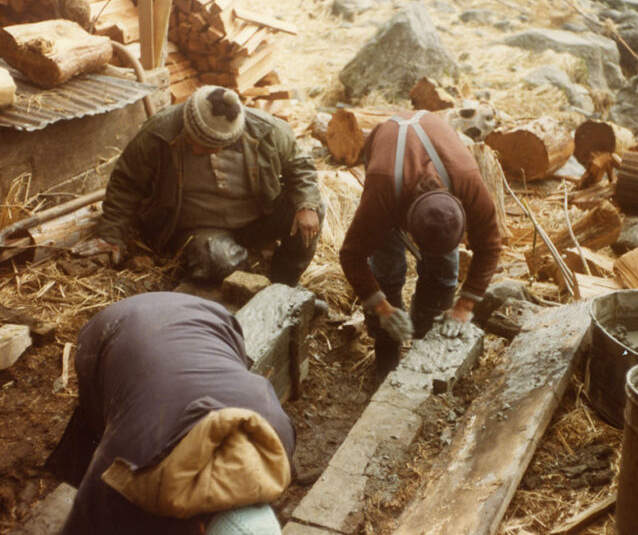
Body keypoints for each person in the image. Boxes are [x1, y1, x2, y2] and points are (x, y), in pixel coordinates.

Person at [45, 292, 296, 534]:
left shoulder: (277, 442)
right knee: (114, 419)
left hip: (212, 320)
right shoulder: (130, 465)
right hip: (117, 328)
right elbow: (85, 523)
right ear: (197, 530)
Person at [74, 85, 323, 285]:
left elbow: (300, 165)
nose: (195, 148)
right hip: (202, 228)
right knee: (218, 259)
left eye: (207, 147)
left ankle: (284, 283)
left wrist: (306, 204)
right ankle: (250, 276)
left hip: (259, 216)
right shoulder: (158, 133)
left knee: (312, 212)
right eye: (192, 139)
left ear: (230, 138)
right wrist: (110, 236)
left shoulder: (267, 131)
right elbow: (126, 183)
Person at [339, 110, 503, 375]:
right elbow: (351, 255)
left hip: (434, 144)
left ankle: (426, 346)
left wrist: (464, 306)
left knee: (444, 276)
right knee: (387, 270)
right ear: (408, 226)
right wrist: (380, 306)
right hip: (389, 154)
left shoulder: (467, 181)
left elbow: (491, 245)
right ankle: (387, 355)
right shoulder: (383, 190)